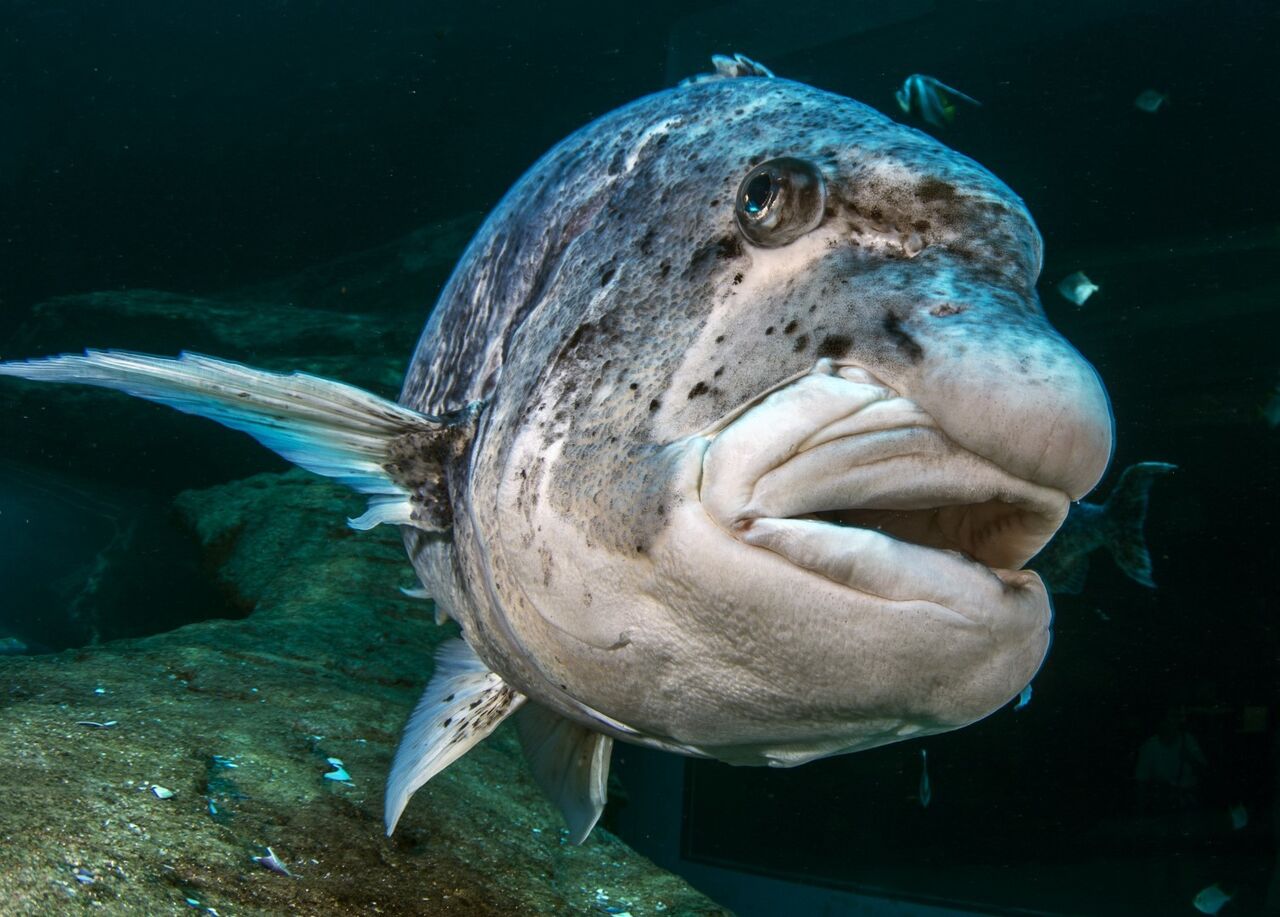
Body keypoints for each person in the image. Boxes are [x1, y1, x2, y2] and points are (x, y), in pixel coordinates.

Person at [1136, 707, 1208, 815]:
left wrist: (1190, 759)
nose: (1170, 724)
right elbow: (1141, 782)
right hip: (1162, 805)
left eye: (1173, 720)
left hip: (1189, 803)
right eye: (1167, 721)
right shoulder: (1149, 746)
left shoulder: (1188, 740)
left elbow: (1205, 772)